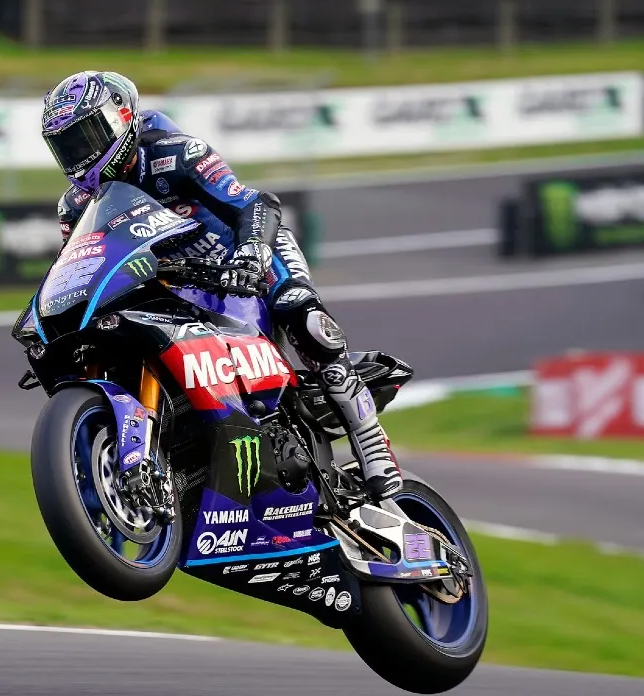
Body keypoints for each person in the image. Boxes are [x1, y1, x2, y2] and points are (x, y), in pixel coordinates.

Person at [40, 70, 402, 501]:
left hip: (241, 256)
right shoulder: (75, 205)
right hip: (179, 284)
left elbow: (252, 203)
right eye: (68, 146)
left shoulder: (175, 153)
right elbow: (85, 266)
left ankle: (370, 440)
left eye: (87, 137)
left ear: (120, 118)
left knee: (304, 318)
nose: (81, 155)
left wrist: (251, 253)